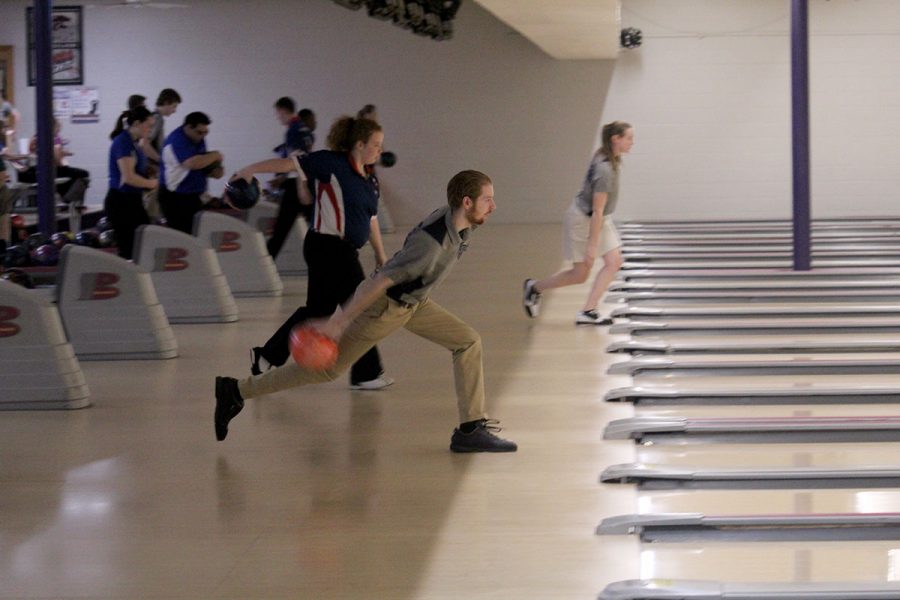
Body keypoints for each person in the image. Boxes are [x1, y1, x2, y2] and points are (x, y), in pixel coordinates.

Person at [214, 169, 517, 453]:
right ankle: (237, 390)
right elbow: (377, 281)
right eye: (487, 200)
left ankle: (470, 429)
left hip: (415, 303)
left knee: (467, 341)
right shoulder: (430, 245)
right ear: (467, 202)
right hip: (387, 308)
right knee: (327, 370)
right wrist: (338, 322)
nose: (493, 206)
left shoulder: (459, 224)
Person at [235, 116, 392, 391]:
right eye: (375, 145)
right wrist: (250, 169)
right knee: (359, 306)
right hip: (327, 246)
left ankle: (266, 355)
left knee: (317, 309)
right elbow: (287, 164)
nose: (379, 151)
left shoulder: (370, 179)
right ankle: (366, 373)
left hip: (343, 250)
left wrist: (381, 255)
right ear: (359, 144)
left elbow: (372, 219)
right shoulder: (330, 162)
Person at [522, 121, 634, 325]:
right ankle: (535, 287)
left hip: (598, 217)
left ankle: (588, 310)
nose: (632, 142)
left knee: (614, 261)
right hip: (583, 219)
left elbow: (600, 212)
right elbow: (597, 210)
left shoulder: (605, 154)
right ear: (615, 139)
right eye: (628, 138)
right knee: (580, 274)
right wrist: (592, 246)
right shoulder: (605, 170)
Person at [105, 106, 158, 260]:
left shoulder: (135, 143)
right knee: (129, 249)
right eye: (148, 125)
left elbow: (137, 169)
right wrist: (152, 184)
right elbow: (128, 177)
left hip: (132, 200)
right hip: (121, 202)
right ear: (136, 123)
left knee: (145, 242)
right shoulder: (123, 141)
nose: (150, 130)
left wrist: (148, 171)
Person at [158, 111, 224, 234]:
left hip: (193, 195)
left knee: (197, 234)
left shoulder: (198, 139)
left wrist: (215, 169)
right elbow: (193, 163)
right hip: (175, 197)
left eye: (205, 133)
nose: (202, 136)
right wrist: (216, 155)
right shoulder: (177, 139)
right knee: (182, 237)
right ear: (188, 127)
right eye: (199, 132)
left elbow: (203, 162)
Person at [266, 99, 316, 258]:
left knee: (281, 230)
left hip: (296, 186)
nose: (277, 117)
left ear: (283, 110)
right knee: (316, 225)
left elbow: (296, 160)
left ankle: (266, 261)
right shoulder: (305, 130)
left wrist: (301, 187)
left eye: (278, 113)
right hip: (304, 182)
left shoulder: (293, 130)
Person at [20, 119, 90, 205]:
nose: (59, 130)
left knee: (70, 177)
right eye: (58, 128)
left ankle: (66, 197)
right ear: (53, 127)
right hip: (50, 169)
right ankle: (68, 200)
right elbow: (56, 157)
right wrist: (62, 163)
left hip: (36, 170)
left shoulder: (35, 138)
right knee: (84, 174)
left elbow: (34, 153)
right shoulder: (54, 138)